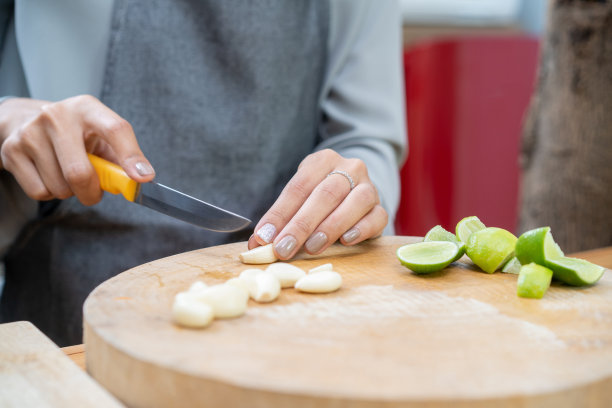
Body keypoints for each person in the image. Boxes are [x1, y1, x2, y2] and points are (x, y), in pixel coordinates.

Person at [0, 0, 406, 346]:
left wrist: (349, 194)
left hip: (277, 330)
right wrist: (6, 114)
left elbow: (365, 139)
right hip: (63, 324)